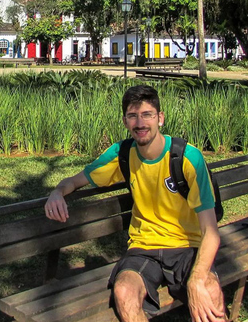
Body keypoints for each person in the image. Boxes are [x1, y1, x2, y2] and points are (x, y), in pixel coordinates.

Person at [45, 85, 224, 322]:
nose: (140, 123)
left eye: (147, 114)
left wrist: (198, 279)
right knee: (124, 292)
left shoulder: (188, 158)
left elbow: (211, 233)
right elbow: (76, 180)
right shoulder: (122, 153)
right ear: (125, 121)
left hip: (187, 247)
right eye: (133, 116)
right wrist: (58, 191)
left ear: (160, 118)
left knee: (209, 290)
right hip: (143, 249)